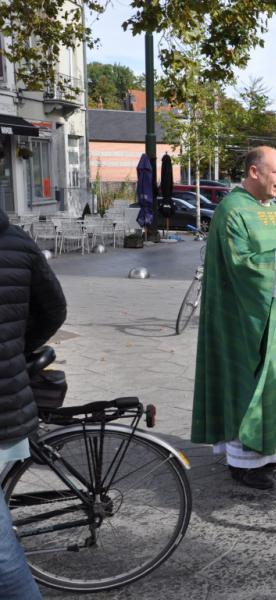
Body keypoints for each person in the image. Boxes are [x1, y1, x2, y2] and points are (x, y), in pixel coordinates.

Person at [191, 146, 276, 491]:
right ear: (253, 172)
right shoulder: (231, 211)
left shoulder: (270, 209)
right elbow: (242, 266)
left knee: (275, 386)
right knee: (248, 387)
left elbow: (274, 261)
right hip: (240, 319)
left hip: (272, 315)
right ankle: (244, 463)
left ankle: (270, 453)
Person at [0, 206, 67, 599]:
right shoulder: (19, 241)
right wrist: (14, 348)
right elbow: (54, 308)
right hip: (9, 402)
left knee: (4, 561)